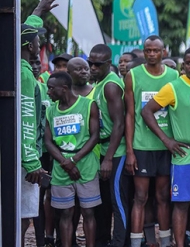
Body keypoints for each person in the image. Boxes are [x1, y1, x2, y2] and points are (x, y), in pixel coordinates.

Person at [140, 47, 190, 247]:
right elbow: (147, 111)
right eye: (189, 63)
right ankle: (180, 244)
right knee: (182, 205)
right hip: (185, 156)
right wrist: (166, 140)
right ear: (182, 65)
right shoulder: (173, 87)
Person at [124, 35, 179, 247]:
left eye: (156, 50)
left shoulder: (174, 75)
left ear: (163, 52)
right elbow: (130, 115)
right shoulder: (133, 75)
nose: (152, 54)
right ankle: (137, 242)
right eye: (148, 50)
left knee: (164, 196)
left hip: (167, 146)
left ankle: (165, 241)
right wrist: (130, 150)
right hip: (142, 146)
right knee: (140, 197)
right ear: (144, 52)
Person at [45, 72, 102, 247]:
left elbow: (95, 136)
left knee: (88, 211)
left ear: (64, 89)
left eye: (51, 89)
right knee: (65, 213)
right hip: (61, 167)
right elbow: (48, 141)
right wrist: (66, 163)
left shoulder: (88, 105)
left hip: (86, 165)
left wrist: (74, 160)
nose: (48, 92)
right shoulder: (50, 110)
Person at [88, 44, 129, 247]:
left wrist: (109, 158)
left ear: (107, 64)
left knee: (117, 201)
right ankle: (103, 240)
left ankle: (120, 242)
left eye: (97, 64)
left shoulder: (110, 86)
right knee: (103, 202)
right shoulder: (99, 83)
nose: (92, 68)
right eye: (90, 63)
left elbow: (119, 124)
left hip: (117, 151)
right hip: (104, 149)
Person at [21, 24, 49, 246]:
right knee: (21, 211)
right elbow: (26, 120)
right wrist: (32, 162)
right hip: (25, 157)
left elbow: (18, 25)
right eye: (38, 43)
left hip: (23, 153)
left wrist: (39, 11)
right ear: (30, 46)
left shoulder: (17, 66)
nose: (39, 46)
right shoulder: (25, 74)